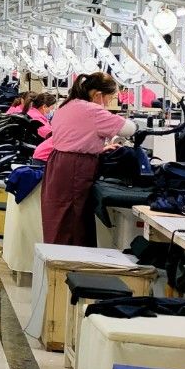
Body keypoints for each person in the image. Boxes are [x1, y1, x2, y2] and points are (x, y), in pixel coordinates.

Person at [40, 73, 136, 245]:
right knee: (73, 219)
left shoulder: (67, 105)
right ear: (98, 94)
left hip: (59, 164)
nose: (108, 103)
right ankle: (71, 260)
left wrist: (97, 148)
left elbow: (76, 136)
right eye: (109, 98)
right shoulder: (92, 110)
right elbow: (129, 129)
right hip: (75, 167)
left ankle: (58, 257)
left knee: (60, 218)